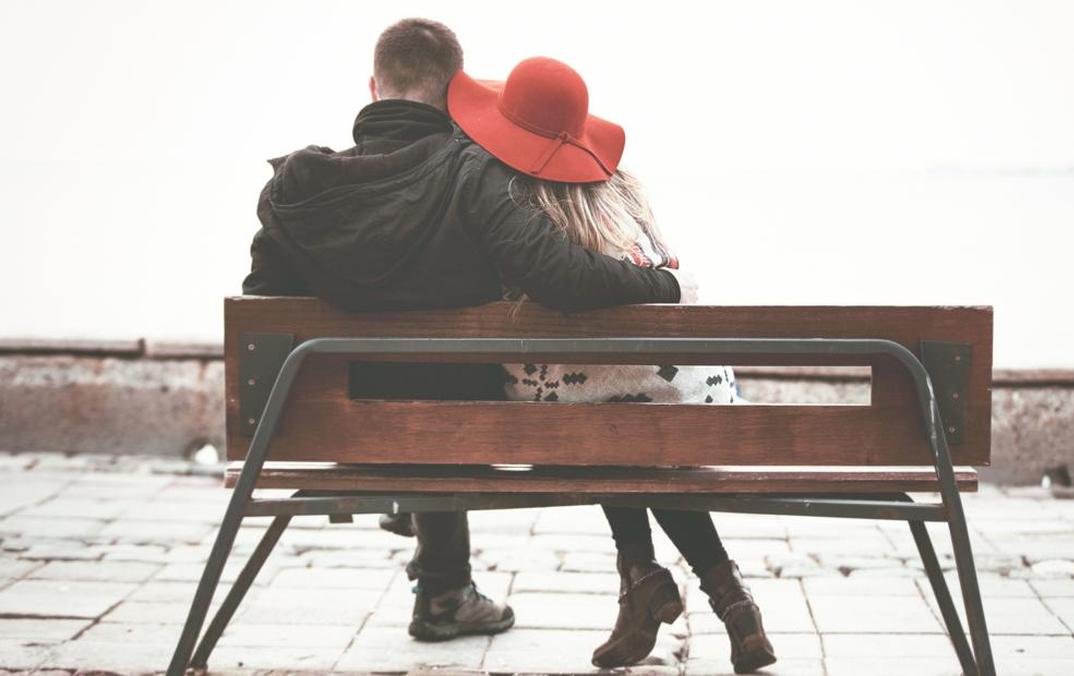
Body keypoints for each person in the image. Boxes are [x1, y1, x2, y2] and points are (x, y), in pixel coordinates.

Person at [242, 19, 693, 643]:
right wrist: (665, 286)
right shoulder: (471, 173)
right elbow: (563, 277)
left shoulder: (297, 187)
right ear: (458, 90)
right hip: (459, 433)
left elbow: (263, 304)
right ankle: (445, 589)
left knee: (407, 390)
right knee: (436, 392)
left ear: (374, 86)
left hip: (337, 431)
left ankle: (445, 589)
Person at [446, 57, 777, 673]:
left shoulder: (516, 202)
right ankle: (727, 597)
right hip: (692, 397)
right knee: (627, 425)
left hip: (584, 411)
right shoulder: (622, 189)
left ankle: (644, 577)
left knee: (599, 422)